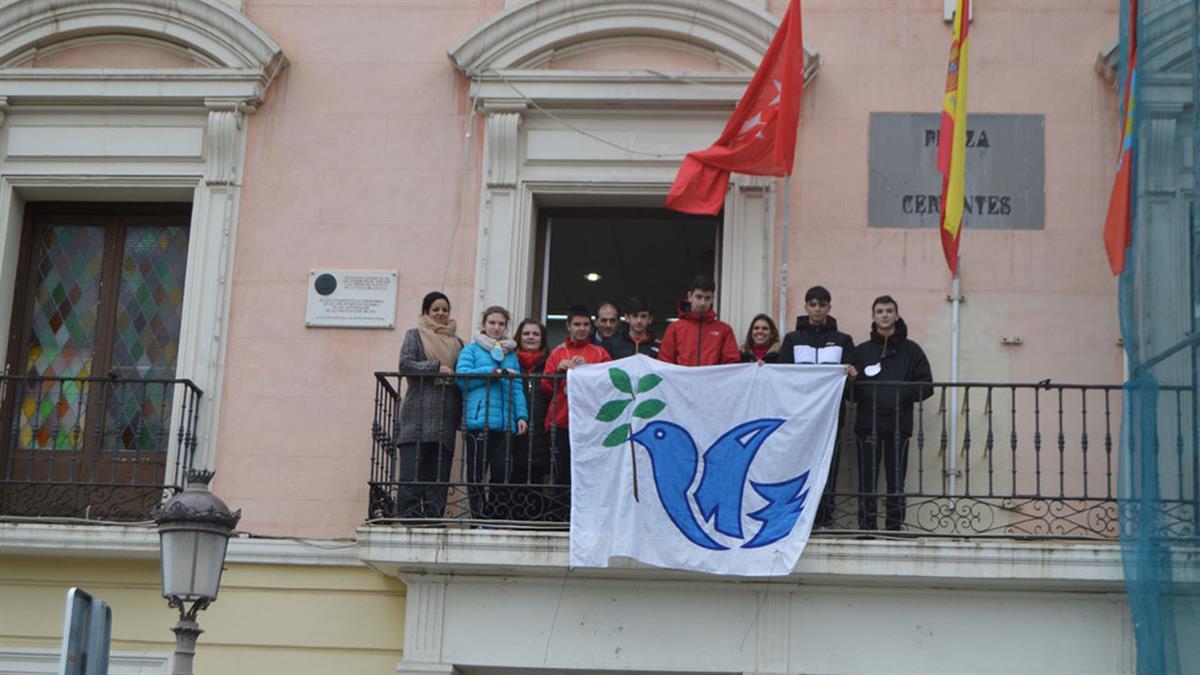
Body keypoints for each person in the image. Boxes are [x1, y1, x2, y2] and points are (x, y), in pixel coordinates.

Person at [848, 295, 933, 531]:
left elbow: (926, 386)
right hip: (868, 425)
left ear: (896, 315)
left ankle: (894, 529)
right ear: (873, 316)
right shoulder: (862, 351)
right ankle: (867, 528)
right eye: (880, 311)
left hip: (898, 425)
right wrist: (852, 381)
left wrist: (897, 394)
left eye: (888, 311)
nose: (884, 315)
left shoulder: (912, 351)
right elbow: (848, 393)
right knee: (867, 480)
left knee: (896, 481)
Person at [778, 285, 858, 529]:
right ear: (806, 306)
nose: (817, 309)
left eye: (822, 305)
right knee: (798, 464)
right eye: (813, 304)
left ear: (829, 307)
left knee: (828, 467)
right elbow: (783, 375)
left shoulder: (843, 340)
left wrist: (852, 374)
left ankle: (824, 519)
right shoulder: (792, 339)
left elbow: (852, 377)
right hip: (799, 417)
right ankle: (796, 518)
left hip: (831, 417)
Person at [393, 291, 463, 519]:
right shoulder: (414, 335)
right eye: (436, 309)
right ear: (426, 312)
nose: (441, 313)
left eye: (445, 309)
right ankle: (409, 516)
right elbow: (405, 365)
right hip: (417, 412)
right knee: (412, 469)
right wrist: (435, 368)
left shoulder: (457, 343)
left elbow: (462, 377)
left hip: (445, 414)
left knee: (439, 472)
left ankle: (434, 516)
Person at [456, 306, 529, 520]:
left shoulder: (510, 355)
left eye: (501, 324)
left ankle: (495, 517)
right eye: (492, 323)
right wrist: (494, 372)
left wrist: (521, 416)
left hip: (505, 422)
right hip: (479, 420)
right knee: (476, 473)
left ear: (506, 327)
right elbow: (462, 379)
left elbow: (517, 387)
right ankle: (479, 517)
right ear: (484, 325)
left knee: (502, 472)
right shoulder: (471, 350)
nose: (496, 327)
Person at [542, 304, 612, 520]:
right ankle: (558, 518)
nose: (581, 329)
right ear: (568, 326)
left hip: (591, 425)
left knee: (588, 474)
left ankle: (586, 519)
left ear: (591, 327)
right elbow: (545, 387)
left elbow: (609, 386)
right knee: (560, 473)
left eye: (585, 325)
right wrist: (557, 372)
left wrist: (590, 370)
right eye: (577, 324)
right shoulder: (557, 353)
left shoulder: (600, 353)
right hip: (561, 421)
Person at [658, 275, 741, 366]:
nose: (702, 303)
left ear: (713, 299)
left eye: (707, 298)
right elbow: (664, 363)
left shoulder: (724, 330)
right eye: (699, 297)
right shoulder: (674, 328)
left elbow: (732, 366)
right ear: (690, 296)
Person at [514, 318, 552, 519]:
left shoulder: (549, 364)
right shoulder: (510, 362)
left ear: (542, 339)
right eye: (526, 333)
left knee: (536, 476)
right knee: (511, 473)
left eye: (536, 334)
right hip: (514, 430)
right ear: (519, 337)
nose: (531, 337)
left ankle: (534, 519)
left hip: (541, 430)